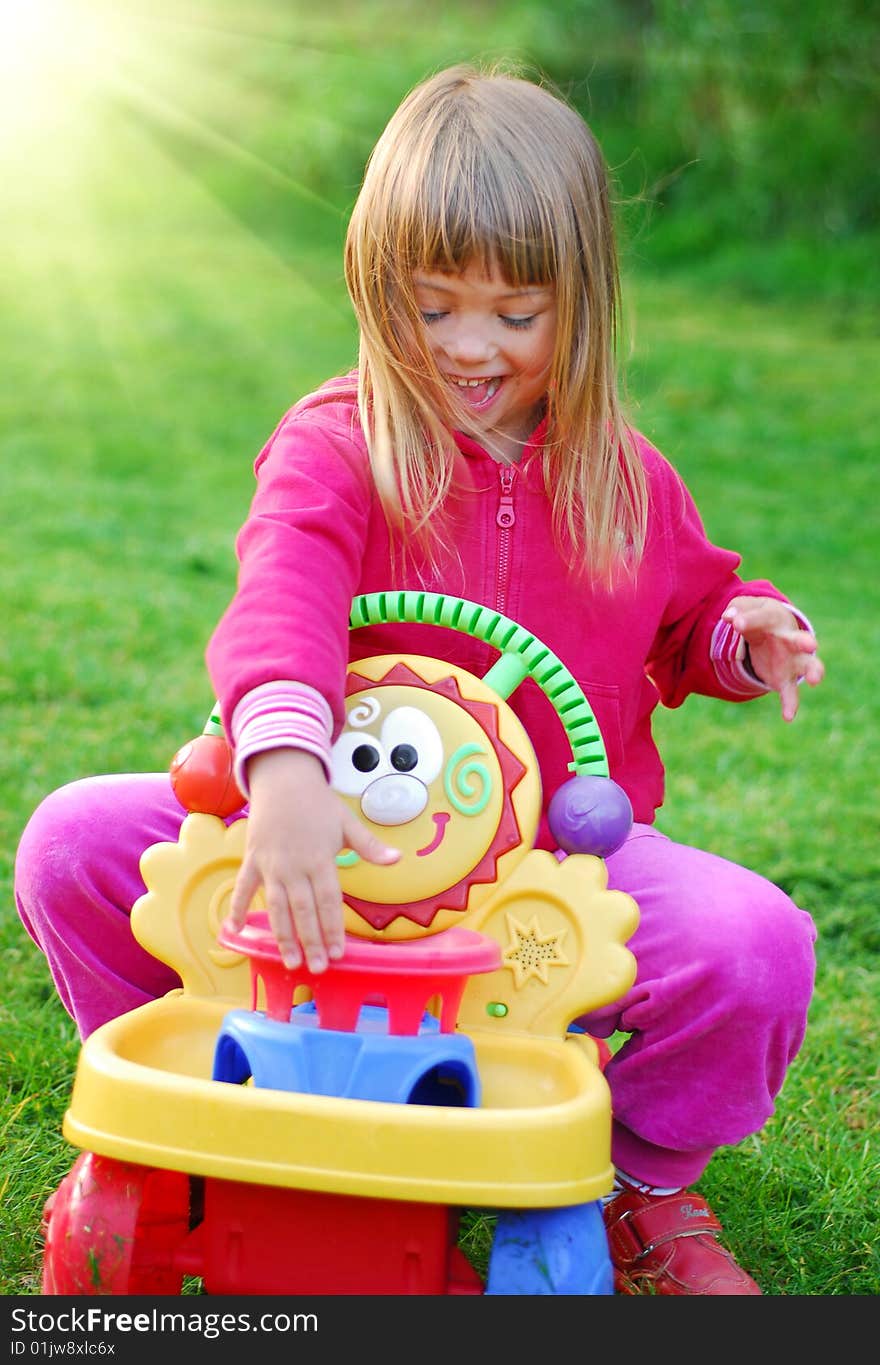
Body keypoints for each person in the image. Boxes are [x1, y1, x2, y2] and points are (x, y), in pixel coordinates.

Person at [15, 62, 824, 1296]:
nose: (467, 347)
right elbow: (279, 595)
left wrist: (739, 632)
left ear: (585, 306)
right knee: (73, 841)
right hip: (322, 842)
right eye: (431, 305)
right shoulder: (338, 442)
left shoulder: (626, 477)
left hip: (546, 867)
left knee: (753, 943)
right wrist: (284, 773)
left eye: (515, 312)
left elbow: (685, 616)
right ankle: (194, 1090)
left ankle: (633, 1183)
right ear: (373, 284)